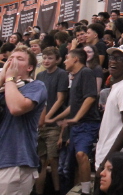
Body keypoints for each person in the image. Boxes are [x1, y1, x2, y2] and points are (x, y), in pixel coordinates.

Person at [0, 46, 48, 194]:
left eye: (19, 59)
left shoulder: (35, 86)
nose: (13, 62)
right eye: (10, 59)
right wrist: (3, 77)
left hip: (16, 161)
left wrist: (9, 79)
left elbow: (16, 108)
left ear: (30, 67)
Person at [52, 49, 100, 195]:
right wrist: (54, 118)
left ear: (75, 60)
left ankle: (85, 191)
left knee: (81, 155)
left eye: (67, 58)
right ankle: (77, 189)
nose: (64, 61)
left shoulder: (86, 73)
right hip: (76, 126)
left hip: (87, 123)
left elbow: (90, 97)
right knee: (71, 164)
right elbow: (75, 104)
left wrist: (77, 118)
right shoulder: (75, 76)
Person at [95, 45, 123, 175]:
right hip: (107, 157)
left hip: (115, 163)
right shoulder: (118, 86)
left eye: (119, 58)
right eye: (112, 57)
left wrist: (107, 161)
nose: (113, 61)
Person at [36, 47, 69, 195]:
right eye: (44, 57)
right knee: (41, 162)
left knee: (53, 160)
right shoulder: (40, 75)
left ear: (57, 60)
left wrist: (48, 116)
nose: (46, 61)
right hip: (40, 124)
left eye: (50, 58)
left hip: (54, 124)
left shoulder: (61, 74)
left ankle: (57, 190)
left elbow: (60, 98)